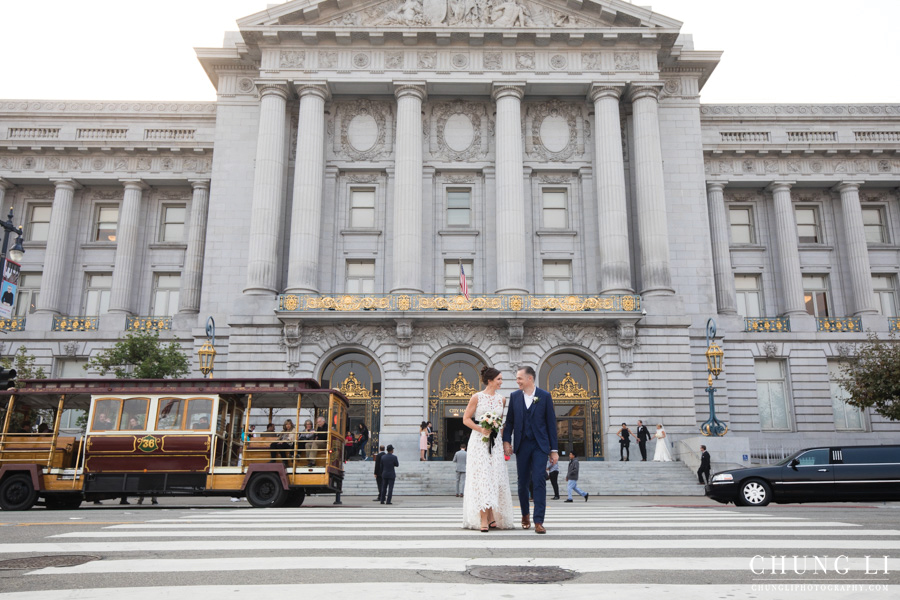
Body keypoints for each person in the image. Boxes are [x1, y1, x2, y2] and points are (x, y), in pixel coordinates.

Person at [502, 366, 559, 535]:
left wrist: (553, 450)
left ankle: (538, 521)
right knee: (523, 482)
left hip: (540, 445)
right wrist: (506, 441)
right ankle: (525, 514)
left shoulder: (544, 396)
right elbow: (510, 422)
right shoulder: (514, 396)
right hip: (522, 445)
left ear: (530, 379)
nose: (517, 381)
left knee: (539, 480)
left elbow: (551, 424)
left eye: (520, 378)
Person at [463, 366, 514, 532]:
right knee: (482, 478)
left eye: (501, 379)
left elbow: (500, 423)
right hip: (479, 441)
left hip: (495, 443)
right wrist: (481, 429)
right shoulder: (477, 397)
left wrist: (503, 441)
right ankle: (483, 519)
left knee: (495, 478)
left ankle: (493, 517)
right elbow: (466, 419)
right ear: (490, 380)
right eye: (498, 379)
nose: (501, 382)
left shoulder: (502, 400)